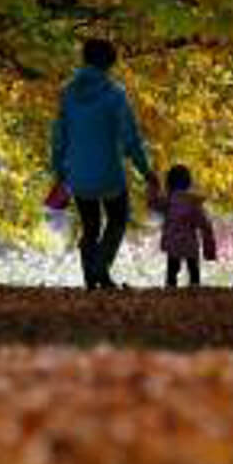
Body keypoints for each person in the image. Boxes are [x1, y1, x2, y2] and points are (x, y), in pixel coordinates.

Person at [50, 38, 155, 289]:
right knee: (118, 218)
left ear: (85, 59)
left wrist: (60, 171)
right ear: (110, 62)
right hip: (109, 173)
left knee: (90, 226)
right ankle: (100, 267)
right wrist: (146, 170)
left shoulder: (67, 92)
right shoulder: (115, 94)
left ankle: (93, 279)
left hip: (77, 174)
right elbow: (130, 137)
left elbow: (58, 135)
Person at [147, 164, 218, 288]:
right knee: (193, 268)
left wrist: (153, 186)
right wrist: (209, 247)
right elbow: (205, 225)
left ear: (168, 183)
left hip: (173, 242)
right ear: (188, 183)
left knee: (172, 269)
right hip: (190, 243)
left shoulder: (168, 201)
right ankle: (195, 287)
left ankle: (171, 287)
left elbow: (153, 203)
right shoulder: (193, 202)